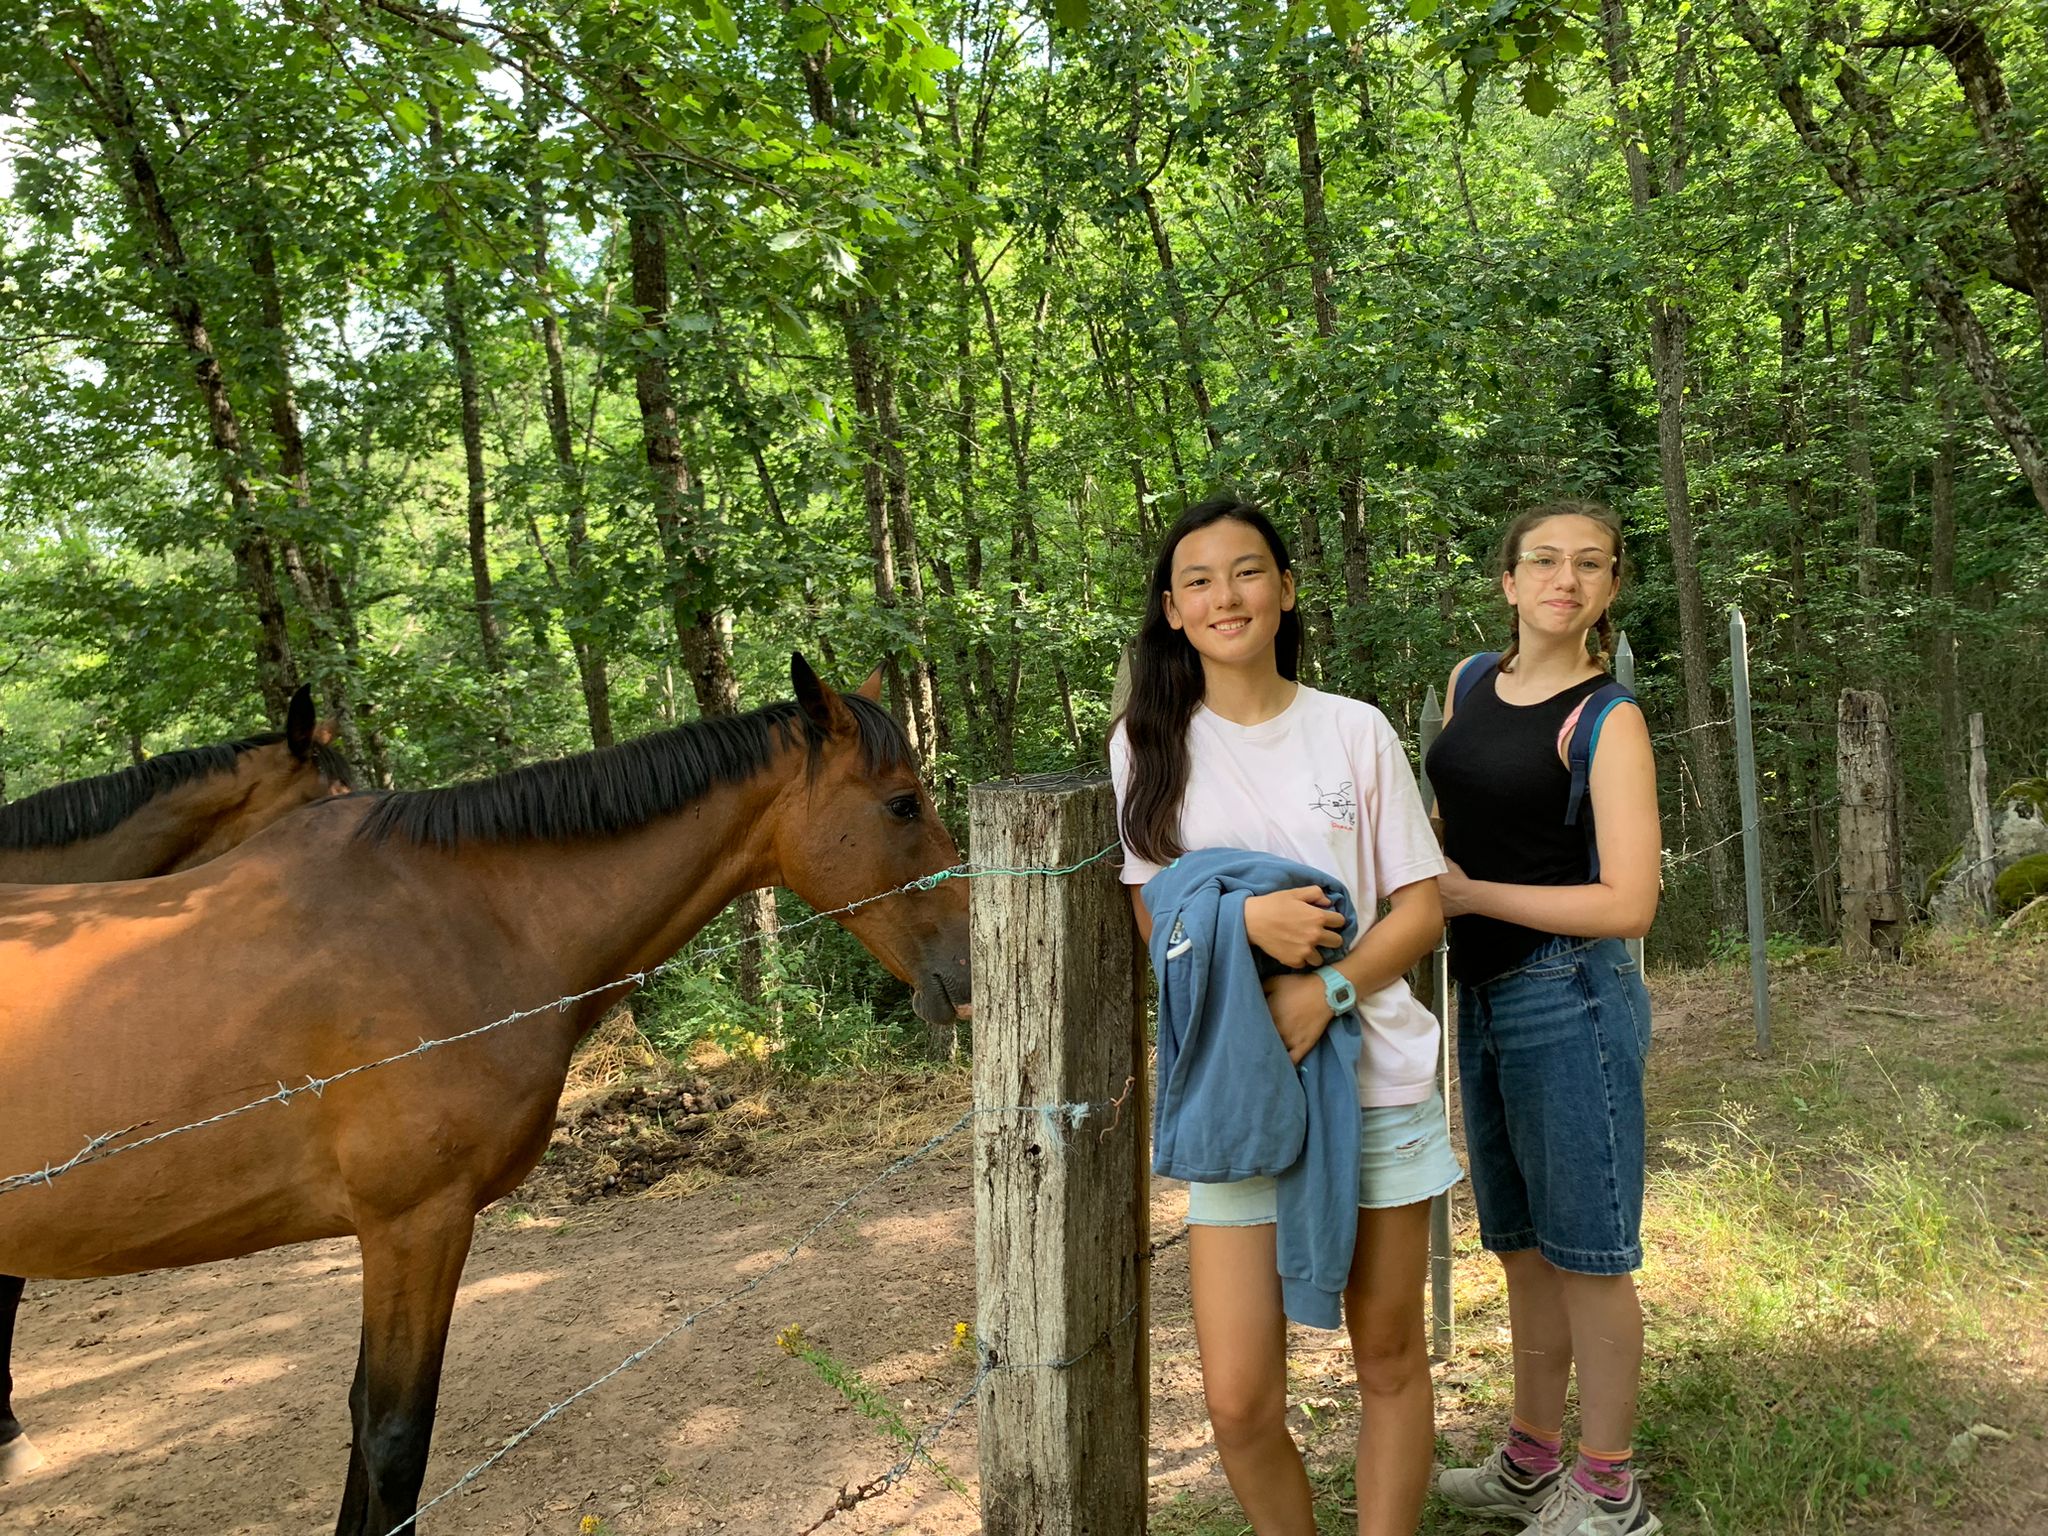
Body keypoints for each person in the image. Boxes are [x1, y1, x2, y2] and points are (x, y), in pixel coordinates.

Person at [1110, 492, 1456, 1536]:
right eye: (1200, 580)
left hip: (1377, 1084)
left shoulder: (1352, 730)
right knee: (1237, 1400)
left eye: (1247, 571)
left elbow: (1419, 908)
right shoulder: (1147, 748)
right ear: (1172, 609)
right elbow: (1155, 917)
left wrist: (1326, 989)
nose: (1226, 595)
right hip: (1238, 1095)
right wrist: (1245, 924)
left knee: (1388, 1359)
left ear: (1285, 591)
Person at [1424, 501, 1663, 1536]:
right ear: (1508, 580)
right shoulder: (1470, 683)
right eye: (1542, 561)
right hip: (1477, 996)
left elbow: (1628, 902)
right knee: (1520, 1247)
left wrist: (1470, 896)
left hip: (1566, 995)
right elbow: (1459, 821)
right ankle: (1528, 1463)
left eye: (1588, 565)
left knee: (1589, 1257)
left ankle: (1609, 1493)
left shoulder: (1605, 721)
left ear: (1607, 590)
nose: (1563, 578)